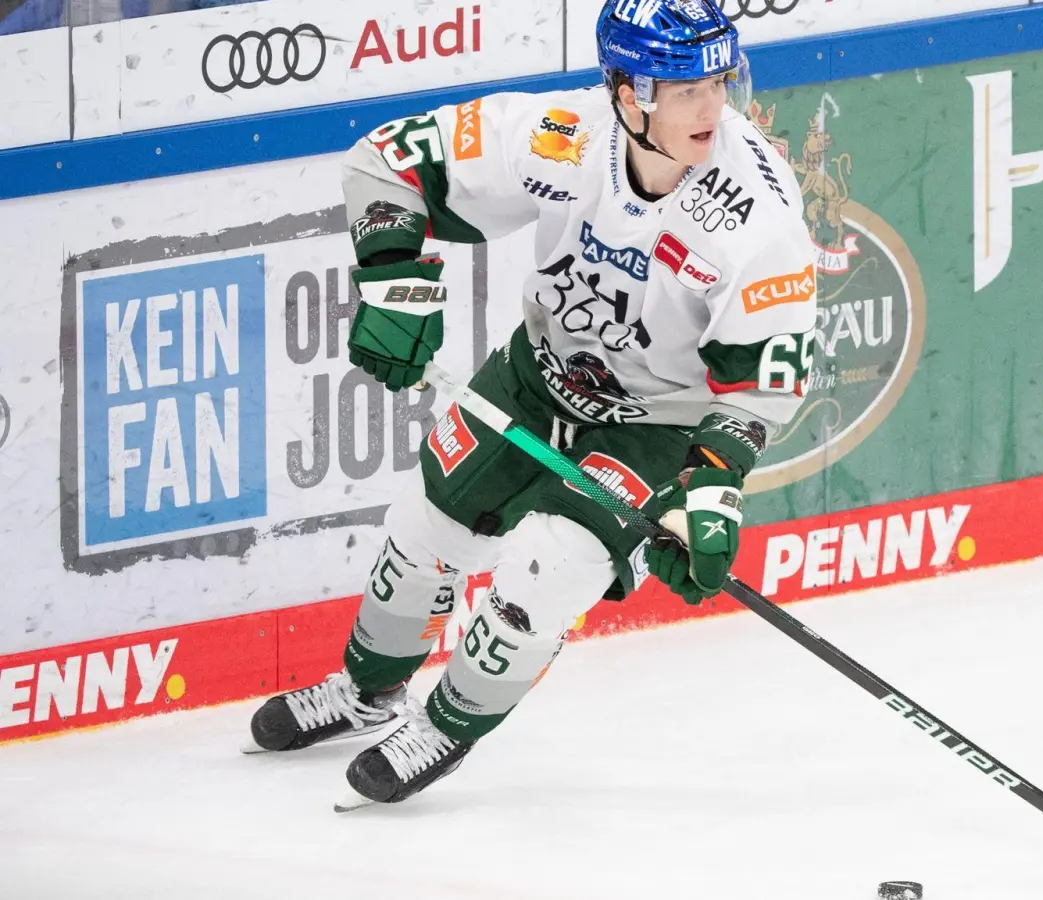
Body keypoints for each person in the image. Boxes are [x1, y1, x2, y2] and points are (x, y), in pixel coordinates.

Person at [243, 0, 818, 811]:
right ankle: (366, 692)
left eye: (720, 81)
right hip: (537, 373)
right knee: (423, 533)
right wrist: (396, 285)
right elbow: (388, 162)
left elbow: (762, 379)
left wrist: (710, 490)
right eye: (687, 88)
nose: (712, 107)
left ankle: (445, 727)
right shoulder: (558, 135)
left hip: (659, 421)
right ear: (626, 92)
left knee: (547, 571)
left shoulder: (756, 216)